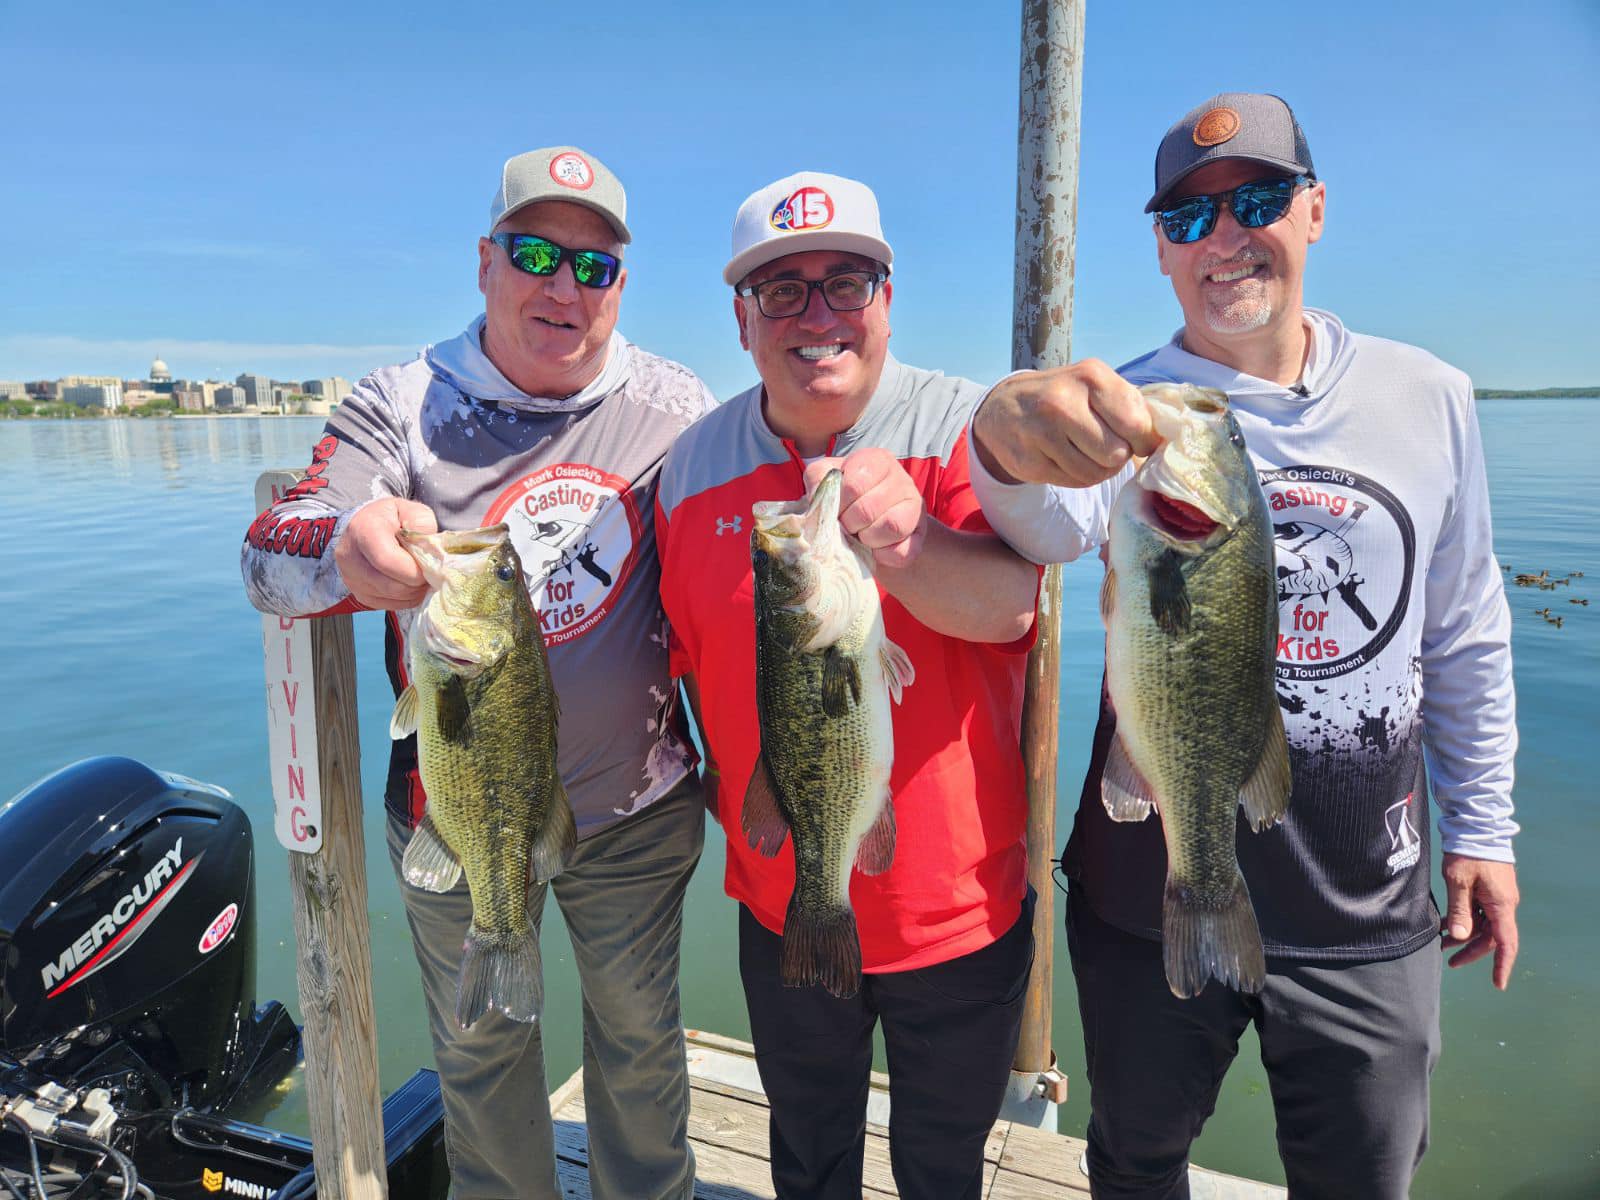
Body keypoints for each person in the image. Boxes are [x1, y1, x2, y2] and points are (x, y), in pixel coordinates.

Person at [966, 93, 1521, 1200]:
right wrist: (1002, 432)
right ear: (1162, 250)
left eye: (1256, 200)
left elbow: (1462, 628)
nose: (1224, 238)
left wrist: (1486, 826)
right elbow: (1036, 524)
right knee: (1135, 1159)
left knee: (1364, 1174)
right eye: (1187, 218)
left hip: (1366, 887)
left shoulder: (1429, 395)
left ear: (1313, 211)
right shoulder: (1124, 413)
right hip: (1146, 885)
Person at [241, 145, 714, 1200]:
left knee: (640, 1044)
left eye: (593, 266)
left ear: (621, 286)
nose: (564, 286)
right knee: (483, 1053)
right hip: (454, 807)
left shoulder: (676, 403)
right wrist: (345, 545)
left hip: (635, 807)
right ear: (486, 263)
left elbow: (748, 531)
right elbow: (270, 554)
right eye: (536, 253)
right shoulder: (403, 399)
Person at [655, 171, 1041, 1199]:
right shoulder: (687, 470)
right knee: (809, 1156)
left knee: (941, 1168)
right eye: (781, 291)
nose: (816, 316)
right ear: (742, 320)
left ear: (886, 297)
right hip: (782, 896)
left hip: (956, 911)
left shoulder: (967, 426)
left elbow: (1013, 608)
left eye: (846, 284)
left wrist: (911, 544)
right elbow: (680, 667)